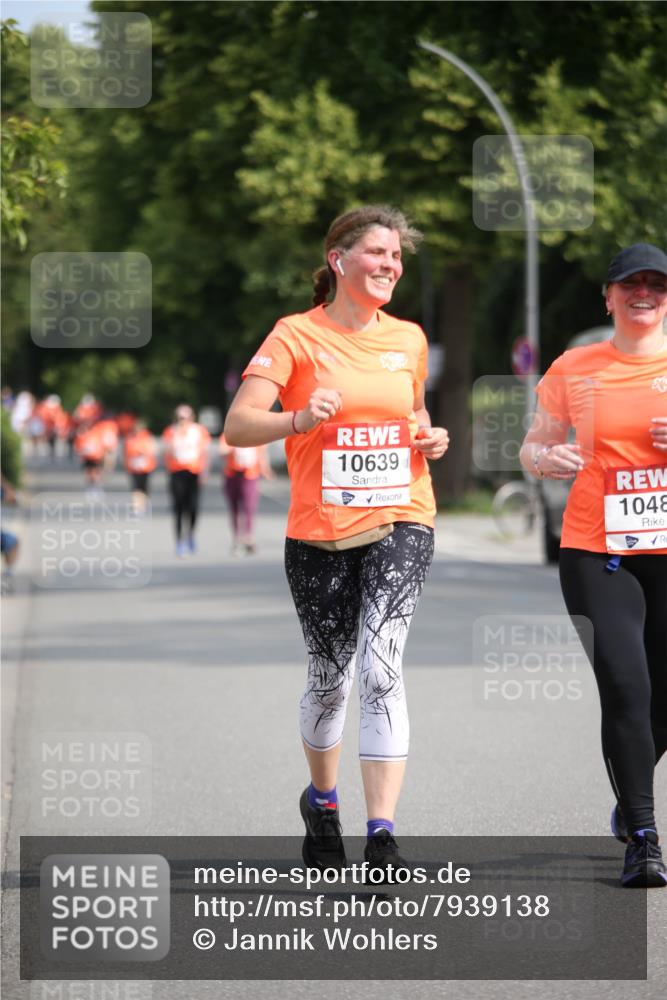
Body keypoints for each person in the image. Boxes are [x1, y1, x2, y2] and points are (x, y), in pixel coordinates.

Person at [224, 205, 449, 879]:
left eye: (395, 257)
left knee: (381, 667)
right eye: (375, 253)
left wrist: (428, 437)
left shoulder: (407, 338)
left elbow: (412, 411)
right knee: (330, 681)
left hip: (401, 515)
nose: (388, 266)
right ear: (338, 261)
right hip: (319, 531)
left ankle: (382, 835)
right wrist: (296, 417)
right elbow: (237, 426)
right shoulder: (295, 336)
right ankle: (323, 803)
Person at [520, 242, 667, 888]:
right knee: (625, 689)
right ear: (607, 296)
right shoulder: (574, 366)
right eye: (629, 283)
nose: (643, 293)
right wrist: (541, 460)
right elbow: (534, 443)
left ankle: (628, 789)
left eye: (656, 284)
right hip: (597, 550)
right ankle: (643, 835)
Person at [162, 405, 211, 557]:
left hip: (194, 472)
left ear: (192, 418)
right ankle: (179, 541)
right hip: (177, 473)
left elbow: (205, 453)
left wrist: (205, 472)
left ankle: (190, 533)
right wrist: (176, 436)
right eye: (180, 418)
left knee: (193, 508)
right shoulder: (171, 431)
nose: (183, 421)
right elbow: (166, 453)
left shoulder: (199, 431)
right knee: (178, 508)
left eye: (186, 418)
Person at [218, 436, 273, 555]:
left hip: (250, 475)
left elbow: (262, 453)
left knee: (249, 507)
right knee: (235, 507)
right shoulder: (229, 434)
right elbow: (222, 452)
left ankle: (249, 537)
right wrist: (235, 447)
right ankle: (237, 538)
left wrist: (266, 470)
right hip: (232, 474)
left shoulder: (255, 434)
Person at [124, 420, 157, 514]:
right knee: (135, 487)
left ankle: (143, 503)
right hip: (134, 467)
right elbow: (126, 451)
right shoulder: (130, 438)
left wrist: (141, 451)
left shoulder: (147, 437)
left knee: (144, 487)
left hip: (146, 467)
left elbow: (151, 450)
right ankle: (137, 506)